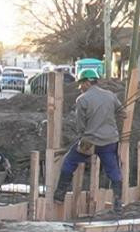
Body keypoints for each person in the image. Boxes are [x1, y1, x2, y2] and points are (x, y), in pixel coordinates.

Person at [53, 69, 125, 213]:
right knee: (113, 171)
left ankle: (59, 195)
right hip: (110, 140)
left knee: (69, 162)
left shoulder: (82, 99)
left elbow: (80, 125)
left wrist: (82, 138)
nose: (80, 88)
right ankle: (118, 202)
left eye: (81, 84)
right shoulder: (110, 95)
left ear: (86, 83)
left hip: (90, 141)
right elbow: (123, 112)